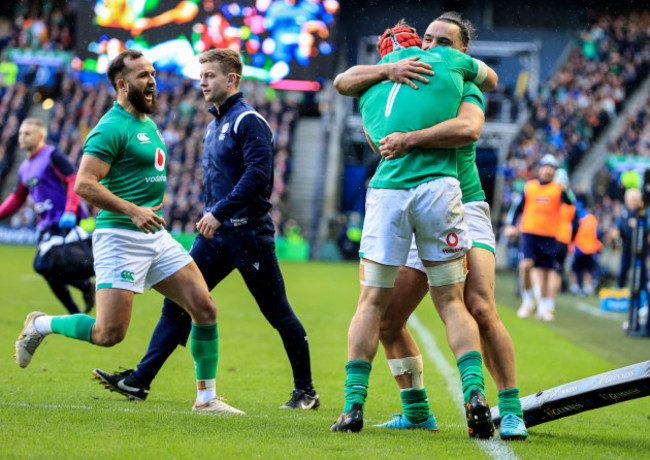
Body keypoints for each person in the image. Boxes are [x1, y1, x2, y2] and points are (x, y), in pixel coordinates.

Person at [14, 49, 242, 415]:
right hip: (120, 236)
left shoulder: (147, 124)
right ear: (122, 84)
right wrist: (132, 210)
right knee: (109, 334)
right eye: (142, 76)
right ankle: (41, 323)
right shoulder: (110, 127)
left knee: (204, 307)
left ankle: (206, 399)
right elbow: (85, 184)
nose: (151, 81)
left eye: (152, 74)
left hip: (155, 236)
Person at [333, 12, 527, 440]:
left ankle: (510, 408)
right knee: (388, 320)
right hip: (427, 199)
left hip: (465, 203)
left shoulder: (466, 83)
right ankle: (417, 411)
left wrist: (408, 138)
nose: (431, 45)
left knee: (479, 305)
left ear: (462, 52)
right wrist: (388, 76)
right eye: (427, 37)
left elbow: (469, 128)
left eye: (443, 41)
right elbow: (364, 113)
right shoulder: (405, 78)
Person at [93, 48, 318, 410]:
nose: (202, 82)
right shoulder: (213, 126)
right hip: (214, 237)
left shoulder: (250, 121)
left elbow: (259, 176)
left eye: (210, 76)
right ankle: (140, 380)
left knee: (277, 312)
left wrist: (220, 212)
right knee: (178, 305)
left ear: (232, 80)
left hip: (249, 236)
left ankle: (306, 391)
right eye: (201, 76)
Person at [0, 118, 94, 314]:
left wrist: (69, 211)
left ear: (41, 136)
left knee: (47, 265)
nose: (22, 137)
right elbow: (17, 197)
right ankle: (78, 304)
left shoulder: (53, 156)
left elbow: (73, 180)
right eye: (20, 134)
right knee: (46, 268)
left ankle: (87, 293)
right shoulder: (24, 167)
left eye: (27, 134)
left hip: (67, 222)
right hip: (47, 226)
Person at [505, 154, 579, 321]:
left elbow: (572, 204)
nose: (547, 171)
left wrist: (566, 189)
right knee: (526, 265)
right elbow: (517, 207)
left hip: (549, 235)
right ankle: (527, 300)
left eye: (551, 168)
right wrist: (510, 225)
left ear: (554, 171)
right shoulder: (529, 187)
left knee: (545, 272)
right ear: (540, 168)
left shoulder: (558, 189)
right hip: (530, 233)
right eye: (545, 167)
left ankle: (544, 307)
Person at [612, 188, 643, 288]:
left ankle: (641, 293)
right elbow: (618, 227)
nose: (632, 202)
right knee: (623, 269)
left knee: (640, 271)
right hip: (627, 246)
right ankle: (620, 291)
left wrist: (638, 225)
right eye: (631, 199)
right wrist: (615, 234)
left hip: (640, 247)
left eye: (635, 199)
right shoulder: (624, 212)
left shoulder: (643, 212)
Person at [570, 205, 603, 295]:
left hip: (579, 248)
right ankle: (588, 286)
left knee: (576, 269)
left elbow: (572, 231)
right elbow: (598, 234)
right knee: (588, 269)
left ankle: (576, 286)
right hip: (590, 249)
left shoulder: (577, 217)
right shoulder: (592, 219)